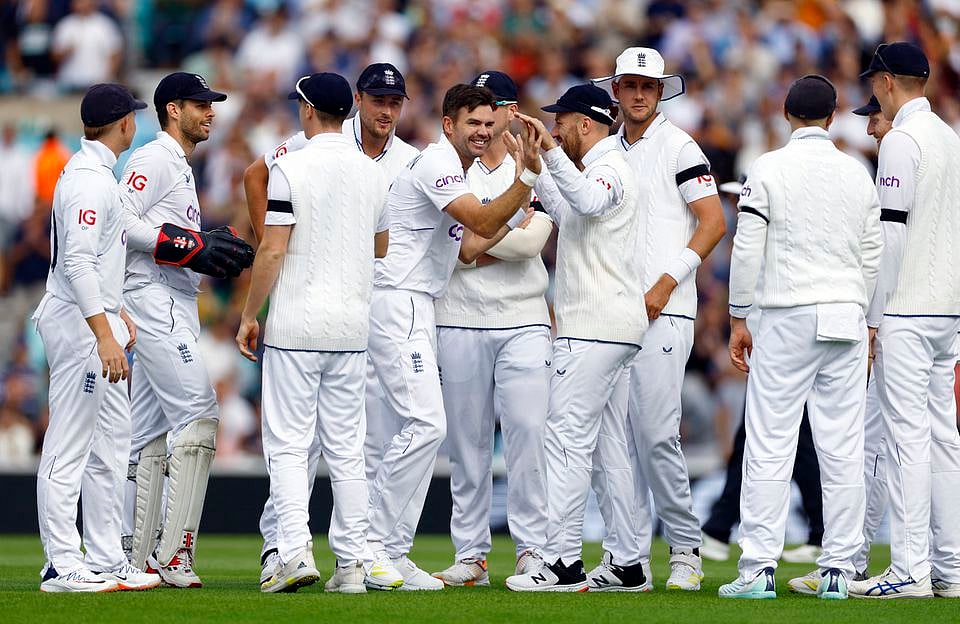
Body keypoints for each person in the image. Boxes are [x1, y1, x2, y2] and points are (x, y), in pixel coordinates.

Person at [244, 62, 417, 589]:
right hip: (351, 327)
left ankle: (294, 551)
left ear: (308, 111)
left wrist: (250, 314)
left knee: (289, 445)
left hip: (297, 325)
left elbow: (273, 249)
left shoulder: (290, 167)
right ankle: (352, 564)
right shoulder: (373, 171)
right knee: (347, 450)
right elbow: (381, 246)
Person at [364, 84, 536, 591]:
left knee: (420, 429)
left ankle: (391, 552)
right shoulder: (438, 163)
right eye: (472, 124)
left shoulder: (454, 170)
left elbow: (467, 249)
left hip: (417, 303)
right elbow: (479, 219)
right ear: (448, 125)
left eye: (488, 124)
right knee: (426, 425)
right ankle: (369, 546)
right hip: (398, 300)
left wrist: (515, 215)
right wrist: (526, 180)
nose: (482, 132)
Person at [719, 75, 882, 600]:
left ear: (787, 113)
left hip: (786, 313)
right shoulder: (857, 172)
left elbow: (747, 248)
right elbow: (873, 254)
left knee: (770, 442)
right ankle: (839, 569)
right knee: (843, 446)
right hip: (845, 313)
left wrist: (738, 317)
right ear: (832, 117)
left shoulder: (767, 167)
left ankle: (758, 570)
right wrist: (865, 316)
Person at [588, 46, 726, 592]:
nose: (640, 94)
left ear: (660, 91)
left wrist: (667, 283)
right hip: (614, 312)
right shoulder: (605, 150)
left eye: (649, 86)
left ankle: (686, 550)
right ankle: (628, 558)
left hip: (665, 310)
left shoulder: (679, 146)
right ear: (616, 90)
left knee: (655, 435)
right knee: (615, 440)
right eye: (631, 85)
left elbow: (712, 222)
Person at [505, 85, 644, 592]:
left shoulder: (610, 167)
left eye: (560, 122)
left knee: (565, 441)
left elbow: (585, 200)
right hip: (611, 328)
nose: (554, 129)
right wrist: (538, 167)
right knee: (608, 448)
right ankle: (627, 562)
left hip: (594, 329)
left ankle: (562, 561)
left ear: (586, 123)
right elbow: (572, 216)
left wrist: (550, 153)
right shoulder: (601, 168)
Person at [119, 72, 254, 588]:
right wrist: (190, 246)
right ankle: (174, 553)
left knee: (147, 435)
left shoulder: (177, 162)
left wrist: (197, 244)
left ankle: (133, 555)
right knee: (199, 416)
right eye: (200, 104)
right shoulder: (155, 157)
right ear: (173, 110)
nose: (210, 111)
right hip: (154, 297)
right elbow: (118, 220)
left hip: (171, 298)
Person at [34, 83, 159, 593]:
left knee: (112, 443)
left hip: (95, 318)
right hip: (80, 326)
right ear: (124, 123)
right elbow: (78, 262)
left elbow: (94, 259)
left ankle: (107, 558)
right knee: (70, 442)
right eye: (134, 117)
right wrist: (104, 332)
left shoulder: (95, 174)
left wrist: (116, 309)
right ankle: (61, 563)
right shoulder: (89, 181)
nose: (136, 124)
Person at [432, 71, 553, 586]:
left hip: (524, 318)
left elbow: (532, 244)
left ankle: (533, 551)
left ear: (511, 111)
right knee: (467, 444)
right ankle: (471, 556)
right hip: (459, 318)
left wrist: (479, 238)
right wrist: (504, 226)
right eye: (479, 112)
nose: (488, 121)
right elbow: (457, 252)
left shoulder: (534, 164)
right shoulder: (447, 167)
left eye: (497, 107)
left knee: (528, 434)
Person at [850, 42, 960, 600]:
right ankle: (950, 567)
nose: (873, 90)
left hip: (906, 309)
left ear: (887, 82)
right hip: (946, 309)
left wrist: (873, 315)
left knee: (905, 439)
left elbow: (889, 236)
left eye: (874, 81)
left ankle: (910, 569)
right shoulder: (949, 136)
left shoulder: (900, 139)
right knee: (943, 438)